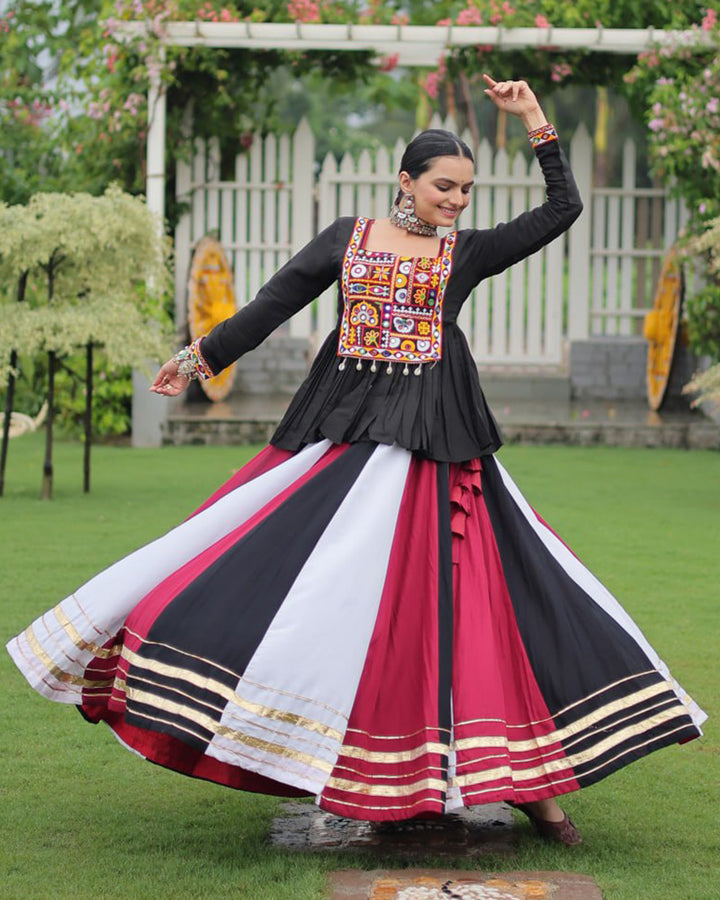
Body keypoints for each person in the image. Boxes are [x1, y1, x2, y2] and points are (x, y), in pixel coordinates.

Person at [7, 76, 705, 847]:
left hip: (441, 449)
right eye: (445, 186)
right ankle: (341, 761)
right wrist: (197, 358)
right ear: (405, 180)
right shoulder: (350, 237)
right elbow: (274, 303)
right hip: (346, 440)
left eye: (468, 190)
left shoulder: (465, 254)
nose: (458, 201)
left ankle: (535, 789)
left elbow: (561, 210)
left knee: (481, 607)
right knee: (321, 598)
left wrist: (535, 118)